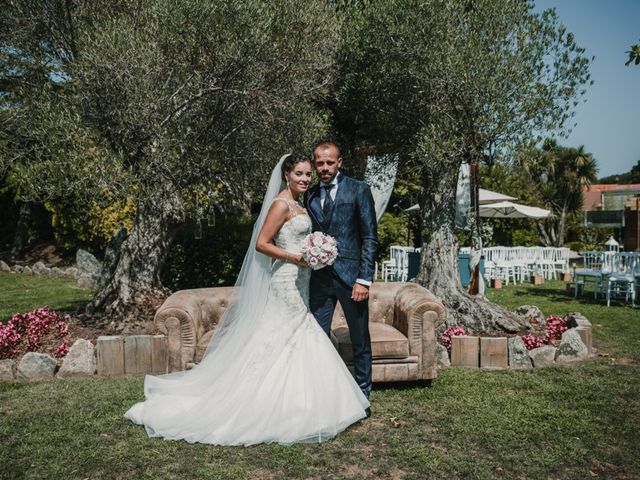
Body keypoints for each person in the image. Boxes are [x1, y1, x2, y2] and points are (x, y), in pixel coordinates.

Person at [124, 154, 369, 446]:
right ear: (286, 175)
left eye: (307, 174)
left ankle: (302, 400)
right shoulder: (280, 204)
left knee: (298, 333)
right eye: (300, 174)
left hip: (302, 279)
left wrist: (317, 252)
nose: (305, 179)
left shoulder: (299, 203)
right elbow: (261, 244)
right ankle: (269, 403)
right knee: (288, 332)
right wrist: (295, 257)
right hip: (286, 280)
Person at [305, 141, 378, 413]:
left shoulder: (359, 190)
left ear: (340, 162)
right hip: (319, 279)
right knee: (316, 338)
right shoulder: (309, 195)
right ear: (315, 165)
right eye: (320, 163)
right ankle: (322, 393)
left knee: (360, 339)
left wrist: (364, 279)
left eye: (329, 162)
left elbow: (370, 236)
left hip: (351, 279)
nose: (324, 168)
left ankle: (362, 397)